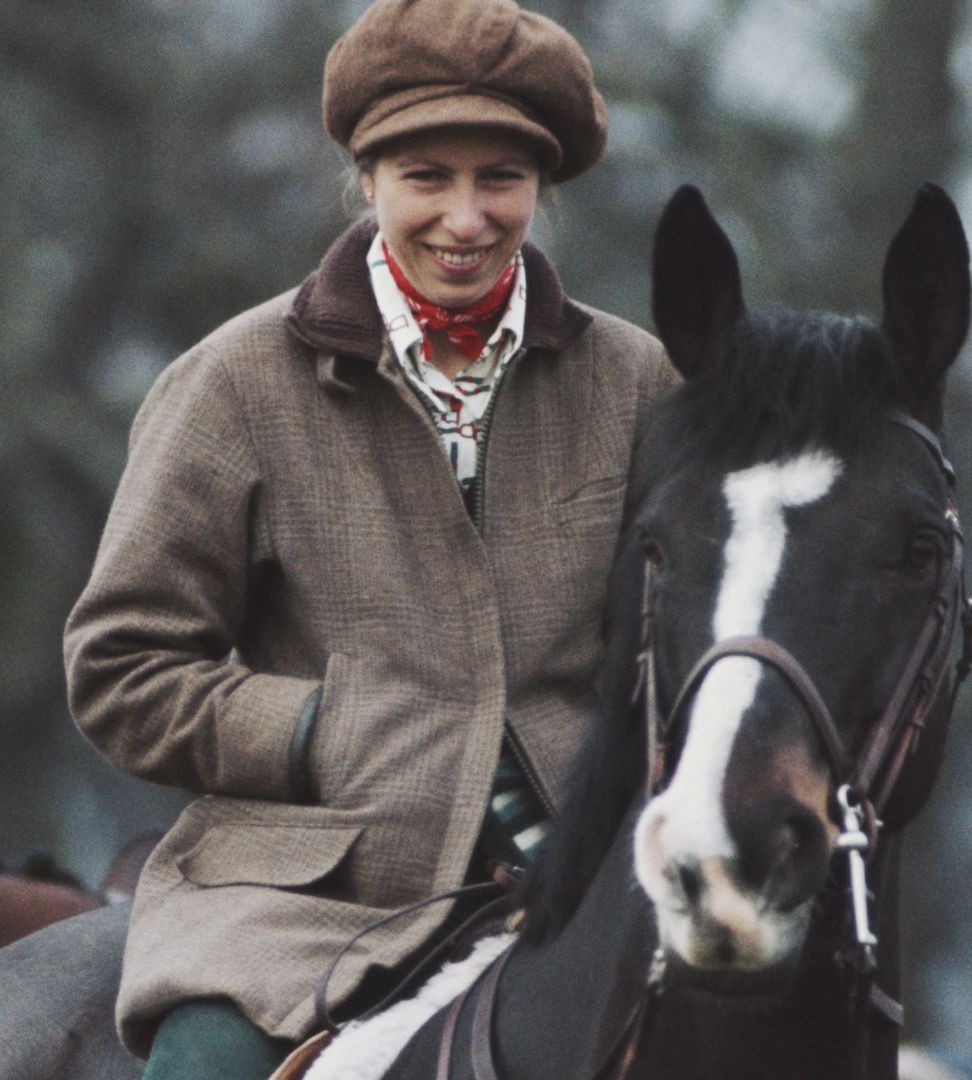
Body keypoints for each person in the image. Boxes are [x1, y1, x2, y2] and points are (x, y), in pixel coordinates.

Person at [62, 0, 676, 1076]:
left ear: (543, 188)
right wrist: (314, 730)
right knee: (204, 1062)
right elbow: (122, 668)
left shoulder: (639, 382)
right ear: (368, 180)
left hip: (589, 888)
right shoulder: (230, 384)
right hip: (301, 904)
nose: (467, 216)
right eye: (427, 176)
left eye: (502, 179)